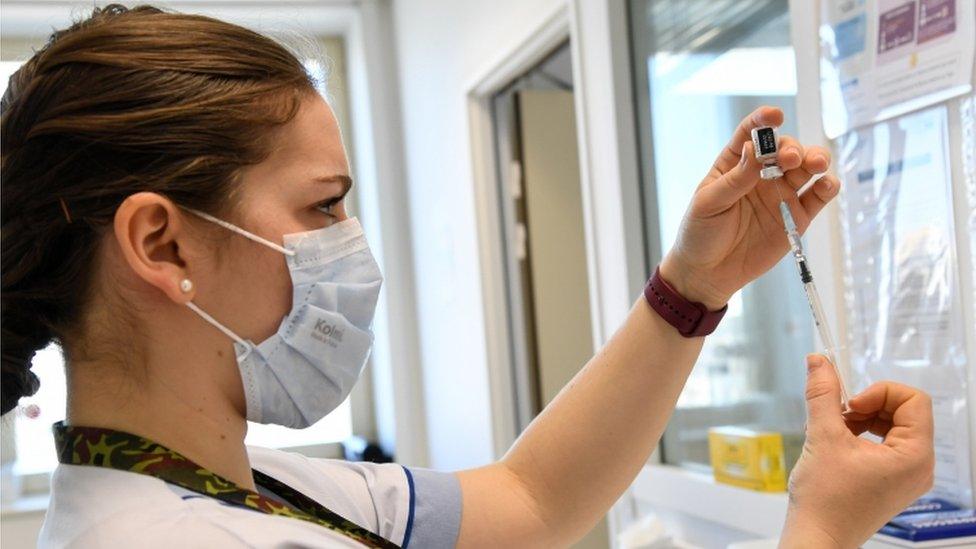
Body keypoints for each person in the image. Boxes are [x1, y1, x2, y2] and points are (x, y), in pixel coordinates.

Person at [0, 5, 934, 549]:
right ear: (164, 245)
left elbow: (531, 498)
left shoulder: (243, 486)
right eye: (323, 205)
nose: (349, 243)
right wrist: (824, 527)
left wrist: (691, 287)